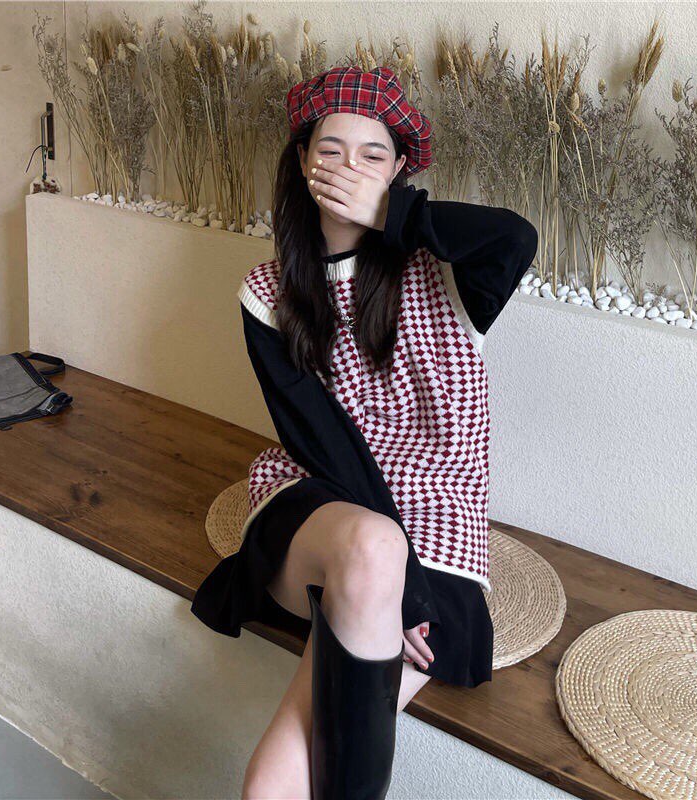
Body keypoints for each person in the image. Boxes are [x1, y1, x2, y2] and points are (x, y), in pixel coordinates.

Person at [191, 65, 539, 799]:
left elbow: (514, 237)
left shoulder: (444, 275)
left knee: (283, 772)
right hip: (327, 498)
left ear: (399, 171)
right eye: (331, 150)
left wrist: (392, 215)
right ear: (301, 160)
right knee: (374, 549)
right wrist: (402, 591)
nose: (350, 167)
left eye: (373, 155)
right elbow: (320, 443)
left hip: (439, 521)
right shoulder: (268, 293)